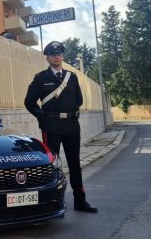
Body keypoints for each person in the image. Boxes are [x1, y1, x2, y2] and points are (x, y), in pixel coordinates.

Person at [24, 41, 98, 213]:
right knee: (52, 165)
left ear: (62, 56)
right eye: (53, 54)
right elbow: (29, 102)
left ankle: (80, 201)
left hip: (72, 126)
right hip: (51, 127)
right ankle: (52, 203)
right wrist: (41, 116)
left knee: (74, 164)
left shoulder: (72, 77)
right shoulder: (41, 78)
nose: (57, 56)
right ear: (48, 57)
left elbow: (78, 100)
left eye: (59, 53)